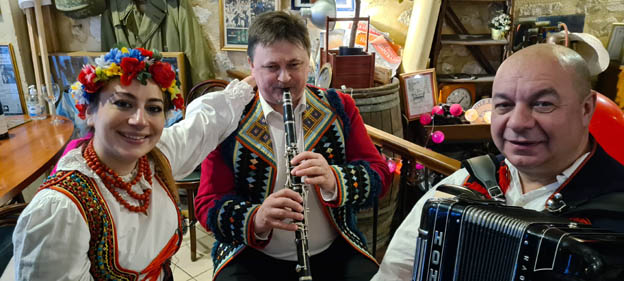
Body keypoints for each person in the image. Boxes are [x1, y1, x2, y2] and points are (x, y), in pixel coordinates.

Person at [372, 43, 624, 281]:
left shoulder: (614, 211)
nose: (517, 122)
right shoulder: (467, 181)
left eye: (543, 104)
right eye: (504, 105)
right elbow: (397, 270)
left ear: (586, 108)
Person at [11, 47, 254, 280]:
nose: (140, 120)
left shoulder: (155, 159)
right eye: (123, 103)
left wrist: (254, 81)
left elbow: (202, 125)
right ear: (89, 112)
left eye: (153, 108)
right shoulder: (61, 210)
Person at [194, 11, 392, 280]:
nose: (285, 78)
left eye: (294, 65)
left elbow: (380, 174)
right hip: (249, 252)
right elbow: (207, 204)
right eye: (272, 67)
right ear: (252, 65)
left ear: (308, 62)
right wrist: (256, 219)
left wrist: (336, 180)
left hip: (335, 249)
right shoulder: (230, 119)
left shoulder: (338, 107)